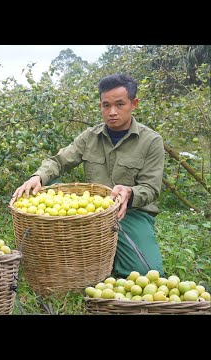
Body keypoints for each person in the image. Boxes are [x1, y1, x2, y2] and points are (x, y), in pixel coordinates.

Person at [11, 73, 165, 278]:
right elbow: (58, 161)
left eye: (120, 104)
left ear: (133, 104)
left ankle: (113, 255)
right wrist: (37, 177)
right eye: (105, 105)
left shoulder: (151, 141)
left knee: (146, 273)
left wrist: (129, 193)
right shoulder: (90, 136)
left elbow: (151, 188)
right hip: (89, 216)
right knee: (50, 185)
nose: (111, 112)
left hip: (129, 213)